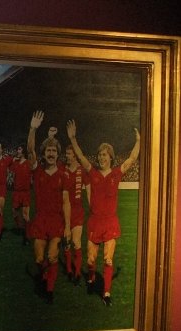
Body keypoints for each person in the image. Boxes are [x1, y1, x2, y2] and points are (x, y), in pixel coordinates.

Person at [66, 119, 140, 306]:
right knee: (91, 260)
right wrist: (73, 139)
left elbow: (132, 159)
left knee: (108, 260)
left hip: (110, 222)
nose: (101, 157)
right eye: (99, 155)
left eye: (105, 155)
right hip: (95, 221)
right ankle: (91, 277)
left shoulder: (116, 173)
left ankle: (106, 293)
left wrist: (139, 141)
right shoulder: (92, 172)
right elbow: (81, 157)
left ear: (111, 158)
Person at [27, 111, 71, 304]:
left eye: (54, 151)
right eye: (48, 151)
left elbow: (66, 201)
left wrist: (67, 227)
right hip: (40, 219)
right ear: (44, 154)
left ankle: (49, 290)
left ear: (57, 154)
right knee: (39, 259)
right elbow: (30, 150)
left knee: (53, 257)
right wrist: (32, 129)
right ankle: (44, 276)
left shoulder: (63, 174)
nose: (51, 153)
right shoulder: (37, 171)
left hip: (56, 221)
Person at [62, 144, 88, 285]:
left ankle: (77, 272)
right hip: (64, 211)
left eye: (69, 154)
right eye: (66, 153)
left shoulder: (81, 170)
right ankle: (69, 270)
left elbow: (89, 189)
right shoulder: (63, 170)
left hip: (77, 211)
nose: (67, 156)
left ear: (75, 155)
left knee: (76, 242)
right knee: (66, 243)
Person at [9, 145, 32, 245]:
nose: (17, 151)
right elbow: (11, 175)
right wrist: (10, 179)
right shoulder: (15, 163)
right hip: (16, 192)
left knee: (25, 215)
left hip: (25, 192)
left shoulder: (29, 163)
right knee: (14, 213)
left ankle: (27, 236)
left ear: (23, 151)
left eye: (19, 149)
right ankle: (21, 227)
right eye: (17, 149)